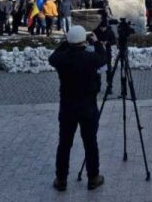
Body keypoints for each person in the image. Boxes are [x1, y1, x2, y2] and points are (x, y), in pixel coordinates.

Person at [49, 25, 106, 192]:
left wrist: (66, 43)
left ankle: (61, 179)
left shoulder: (62, 59)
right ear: (84, 41)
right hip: (88, 106)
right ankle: (93, 177)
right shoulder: (90, 58)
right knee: (90, 143)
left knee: (65, 144)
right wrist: (97, 43)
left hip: (67, 107)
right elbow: (103, 58)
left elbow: (53, 57)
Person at [93, 17, 117, 94]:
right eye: (101, 28)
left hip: (107, 54)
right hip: (98, 54)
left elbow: (114, 41)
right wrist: (98, 42)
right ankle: (97, 86)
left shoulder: (110, 32)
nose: (103, 29)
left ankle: (109, 87)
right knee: (97, 72)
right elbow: (91, 40)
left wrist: (107, 42)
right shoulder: (96, 31)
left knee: (109, 71)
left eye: (104, 28)